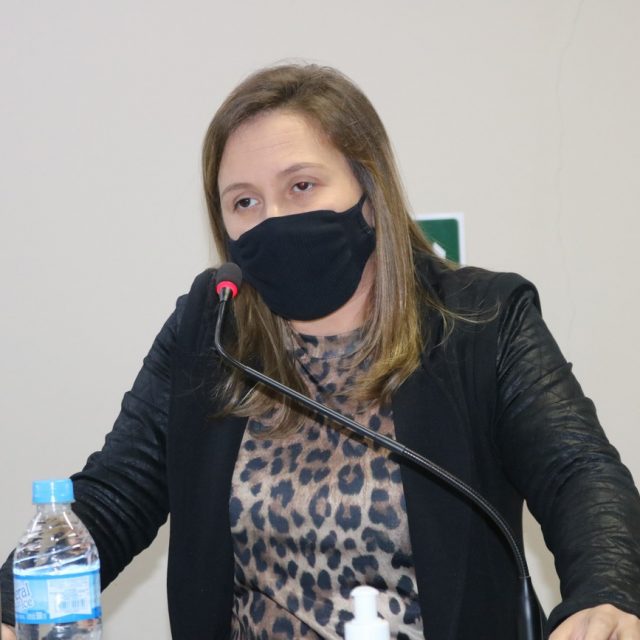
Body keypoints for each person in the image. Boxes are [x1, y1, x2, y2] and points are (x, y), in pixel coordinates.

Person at [2, 63, 640, 640]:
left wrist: (607, 593)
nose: (273, 218)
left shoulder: (481, 319)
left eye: (301, 185)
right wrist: (10, 605)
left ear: (370, 192)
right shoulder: (212, 327)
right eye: (244, 201)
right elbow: (117, 494)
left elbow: (577, 473)